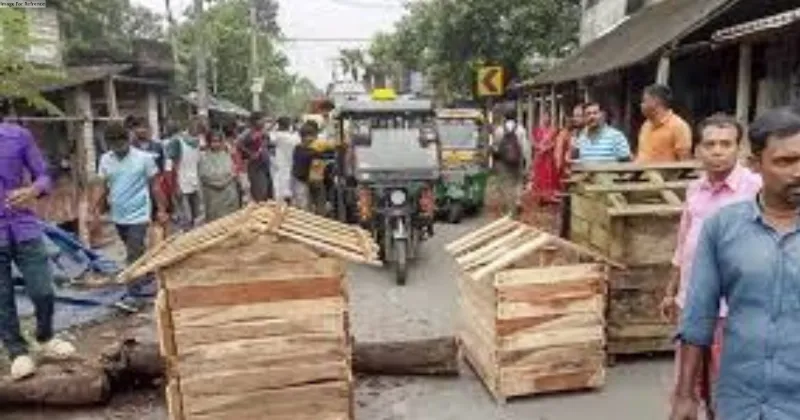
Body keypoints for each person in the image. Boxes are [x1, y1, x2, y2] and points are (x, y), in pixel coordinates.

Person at [671, 107, 800, 420]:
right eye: (784, 162)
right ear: (756, 164)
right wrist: (685, 395)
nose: (798, 171)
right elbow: (699, 314)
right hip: (740, 398)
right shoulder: (723, 228)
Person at [661, 114, 761, 419]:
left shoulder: (755, 189)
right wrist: (670, 290)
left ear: (739, 149)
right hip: (692, 304)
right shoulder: (695, 190)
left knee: (727, 391)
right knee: (688, 388)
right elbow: (683, 245)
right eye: (710, 144)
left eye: (726, 144)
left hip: (734, 310)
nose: (718, 151)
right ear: (698, 151)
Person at [0, 107, 75, 381]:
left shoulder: (19, 136)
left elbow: (43, 175)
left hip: (24, 227)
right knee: (2, 299)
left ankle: (45, 337)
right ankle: (17, 351)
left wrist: (32, 190)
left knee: (43, 290)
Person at [95, 122, 168, 309]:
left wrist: (161, 209)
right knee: (133, 248)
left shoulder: (144, 159)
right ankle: (146, 273)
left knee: (133, 253)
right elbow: (103, 186)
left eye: (121, 144)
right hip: (118, 214)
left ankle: (134, 295)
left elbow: (155, 186)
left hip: (140, 214)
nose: (118, 149)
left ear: (127, 140)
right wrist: (97, 208)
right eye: (113, 145)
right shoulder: (105, 160)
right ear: (108, 144)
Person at [488, 113, 532, 216]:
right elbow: (525, 148)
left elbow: (495, 147)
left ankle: (508, 209)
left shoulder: (499, 130)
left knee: (506, 183)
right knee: (518, 182)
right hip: (517, 161)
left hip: (504, 162)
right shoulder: (521, 129)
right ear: (516, 117)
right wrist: (527, 163)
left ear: (504, 117)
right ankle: (517, 202)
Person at [636, 84, 693, 163]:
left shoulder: (678, 126)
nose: (641, 105)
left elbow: (684, 161)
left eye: (644, 101)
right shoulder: (646, 125)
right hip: (641, 174)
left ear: (655, 102)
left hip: (665, 175)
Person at [168, 118, 204, 229]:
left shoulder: (198, 142)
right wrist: (176, 185)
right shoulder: (177, 141)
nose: (198, 131)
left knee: (196, 216)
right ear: (189, 127)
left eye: (200, 129)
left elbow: (198, 163)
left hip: (194, 182)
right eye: (196, 127)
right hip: (181, 182)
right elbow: (172, 166)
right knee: (186, 217)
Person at [199, 131, 240, 222]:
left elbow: (233, 171)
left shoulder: (226, 155)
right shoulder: (204, 157)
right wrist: (226, 180)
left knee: (231, 222)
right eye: (213, 141)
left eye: (218, 141)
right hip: (214, 198)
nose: (216, 144)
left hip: (229, 198)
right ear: (209, 142)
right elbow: (206, 177)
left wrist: (231, 178)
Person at [236, 112, 272, 202]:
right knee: (260, 190)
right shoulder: (248, 132)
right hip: (255, 166)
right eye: (261, 119)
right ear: (254, 121)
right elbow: (238, 144)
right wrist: (250, 153)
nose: (264, 122)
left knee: (267, 190)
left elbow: (266, 143)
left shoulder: (263, 131)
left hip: (265, 165)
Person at [530, 112, 559, 204]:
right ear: (541, 118)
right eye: (544, 117)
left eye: (548, 117)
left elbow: (555, 143)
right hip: (539, 157)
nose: (546, 119)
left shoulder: (553, 130)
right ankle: (540, 196)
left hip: (548, 158)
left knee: (549, 176)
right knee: (539, 175)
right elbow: (533, 142)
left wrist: (546, 148)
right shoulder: (537, 130)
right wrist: (539, 147)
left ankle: (549, 196)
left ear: (550, 118)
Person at [271, 117, 301, 204]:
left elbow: (270, 136)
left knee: (283, 189)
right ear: (288, 125)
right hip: (291, 166)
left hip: (282, 167)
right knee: (290, 190)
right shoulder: (293, 137)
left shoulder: (276, 136)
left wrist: (273, 125)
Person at [292, 122, 317, 211]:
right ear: (303, 137)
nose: (312, 139)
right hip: (300, 180)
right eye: (310, 136)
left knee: (306, 204)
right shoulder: (302, 150)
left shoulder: (302, 149)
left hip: (305, 180)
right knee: (303, 204)